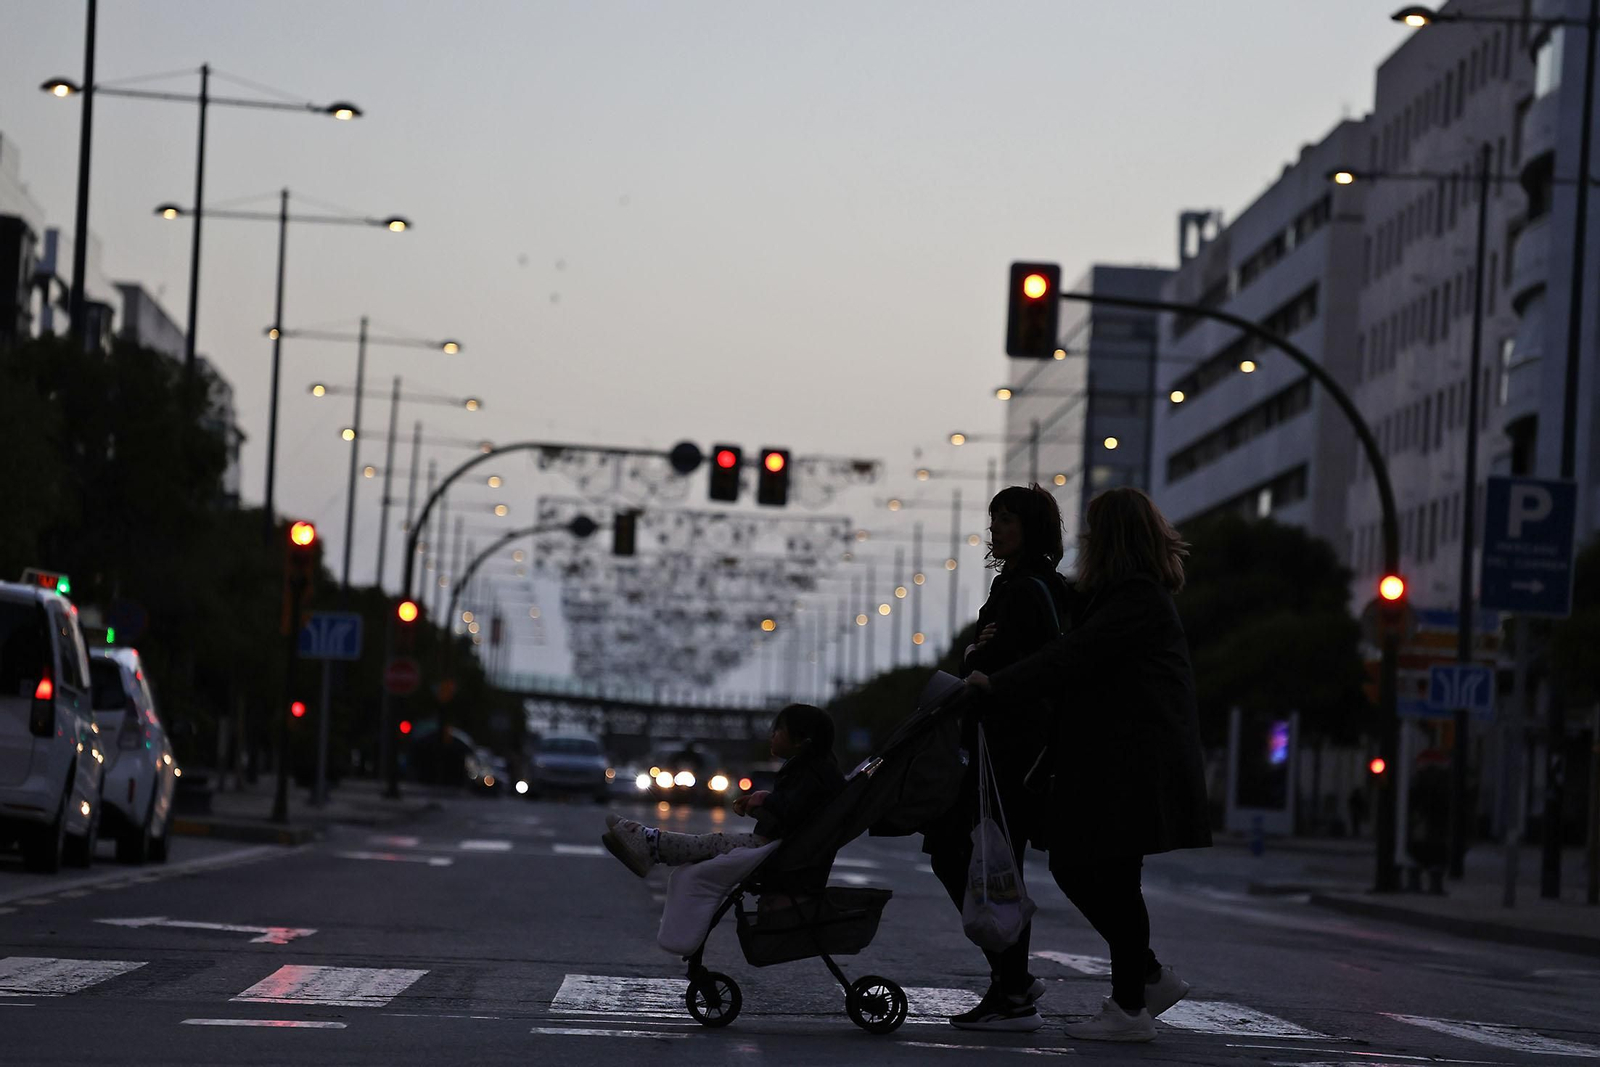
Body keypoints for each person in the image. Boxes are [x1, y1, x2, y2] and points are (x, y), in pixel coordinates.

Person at [967, 487, 1212, 1043]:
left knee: (1097, 871)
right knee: (1102, 872)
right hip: (1125, 757)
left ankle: (1131, 1006)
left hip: (1134, 760)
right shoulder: (1117, 596)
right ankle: (1142, 984)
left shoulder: (1135, 599)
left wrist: (995, 683)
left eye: (1094, 531)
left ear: (1114, 538)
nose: (1085, 540)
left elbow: (1067, 658)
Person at [923, 484, 1073, 1033]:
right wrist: (976, 653)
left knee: (974, 855)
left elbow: (1008, 662)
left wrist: (975, 655)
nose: (997, 529)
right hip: (999, 746)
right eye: (994, 519)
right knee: (978, 857)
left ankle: (1012, 989)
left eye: (1007, 519)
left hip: (1012, 749)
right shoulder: (1022, 585)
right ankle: (1011, 982)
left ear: (1031, 527)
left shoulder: (1029, 589)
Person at [602, 704, 845, 876]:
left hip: (779, 850)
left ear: (802, 741)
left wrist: (764, 803)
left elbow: (792, 813)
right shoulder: (817, 768)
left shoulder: (812, 772)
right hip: (786, 848)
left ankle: (650, 843)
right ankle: (649, 844)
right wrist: (763, 801)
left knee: (711, 845)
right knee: (712, 843)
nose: (771, 735)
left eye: (779, 730)